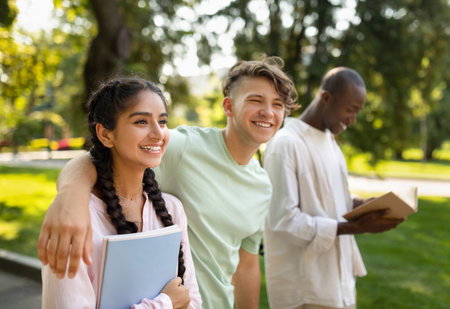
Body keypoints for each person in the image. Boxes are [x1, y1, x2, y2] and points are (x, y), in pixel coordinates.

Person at [37, 57, 299, 308]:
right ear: (228, 106)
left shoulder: (262, 185)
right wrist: (70, 196)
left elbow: (246, 263)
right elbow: (101, 154)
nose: (268, 112)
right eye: (256, 100)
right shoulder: (183, 146)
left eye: (278, 104)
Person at [41, 77, 202, 309]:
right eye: (141, 122)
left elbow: (192, 300)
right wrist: (165, 303)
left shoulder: (172, 209)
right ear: (106, 135)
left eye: (163, 121)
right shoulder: (74, 221)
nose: (158, 133)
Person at [263, 67, 405, 309]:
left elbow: (329, 196)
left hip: (338, 283)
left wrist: (361, 204)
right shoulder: (286, 144)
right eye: (350, 109)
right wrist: (355, 227)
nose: (353, 119)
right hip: (304, 289)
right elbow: (283, 220)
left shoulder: (331, 142)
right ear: (326, 98)